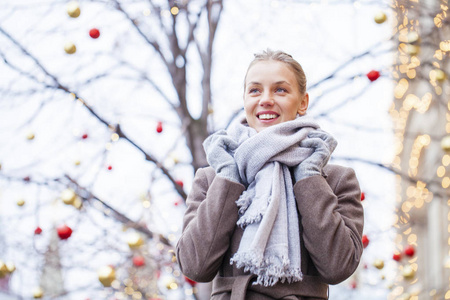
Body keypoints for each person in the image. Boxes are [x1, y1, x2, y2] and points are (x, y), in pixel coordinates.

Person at [176, 49, 364, 300]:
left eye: (280, 90)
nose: (265, 99)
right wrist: (229, 178)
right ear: (245, 100)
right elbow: (195, 265)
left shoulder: (337, 179)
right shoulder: (213, 178)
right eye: (255, 90)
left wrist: (309, 175)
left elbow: (338, 266)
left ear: (303, 102)